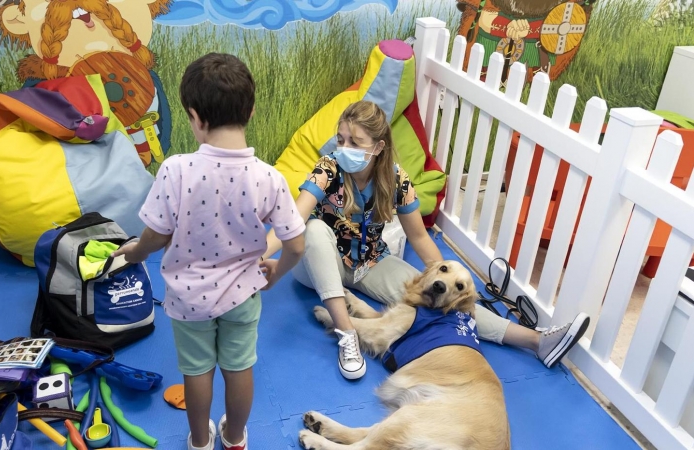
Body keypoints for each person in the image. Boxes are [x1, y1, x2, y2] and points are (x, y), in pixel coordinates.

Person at [263, 100, 590, 380]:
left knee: (444, 296)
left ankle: (536, 341)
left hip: (371, 262)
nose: (344, 148)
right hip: (318, 264)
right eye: (341, 139)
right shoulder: (328, 168)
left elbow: (419, 236)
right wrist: (257, 255)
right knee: (315, 229)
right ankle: (347, 334)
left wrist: (442, 277)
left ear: (378, 148)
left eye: (356, 142)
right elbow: (293, 219)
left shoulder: (396, 180)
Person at [114, 53, 306, 450]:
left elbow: (156, 236)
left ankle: (199, 441)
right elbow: (297, 245)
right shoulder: (269, 177)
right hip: (243, 295)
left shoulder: (176, 169)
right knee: (239, 368)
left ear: (195, 116)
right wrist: (277, 270)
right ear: (251, 111)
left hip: (188, 300)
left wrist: (133, 254)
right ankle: (235, 439)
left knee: (196, 372)